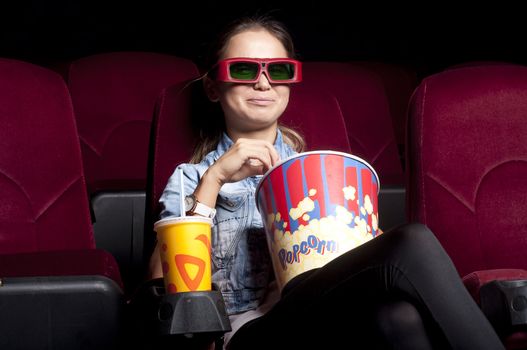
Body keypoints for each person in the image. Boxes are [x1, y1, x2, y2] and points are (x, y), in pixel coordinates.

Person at [148, 15, 505, 350]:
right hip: (247, 332)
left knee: (399, 318)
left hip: (326, 315)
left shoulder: (320, 175)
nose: (263, 82)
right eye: (243, 69)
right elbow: (163, 283)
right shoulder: (193, 177)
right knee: (412, 240)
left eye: (279, 70)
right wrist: (215, 179)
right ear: (213, 87)